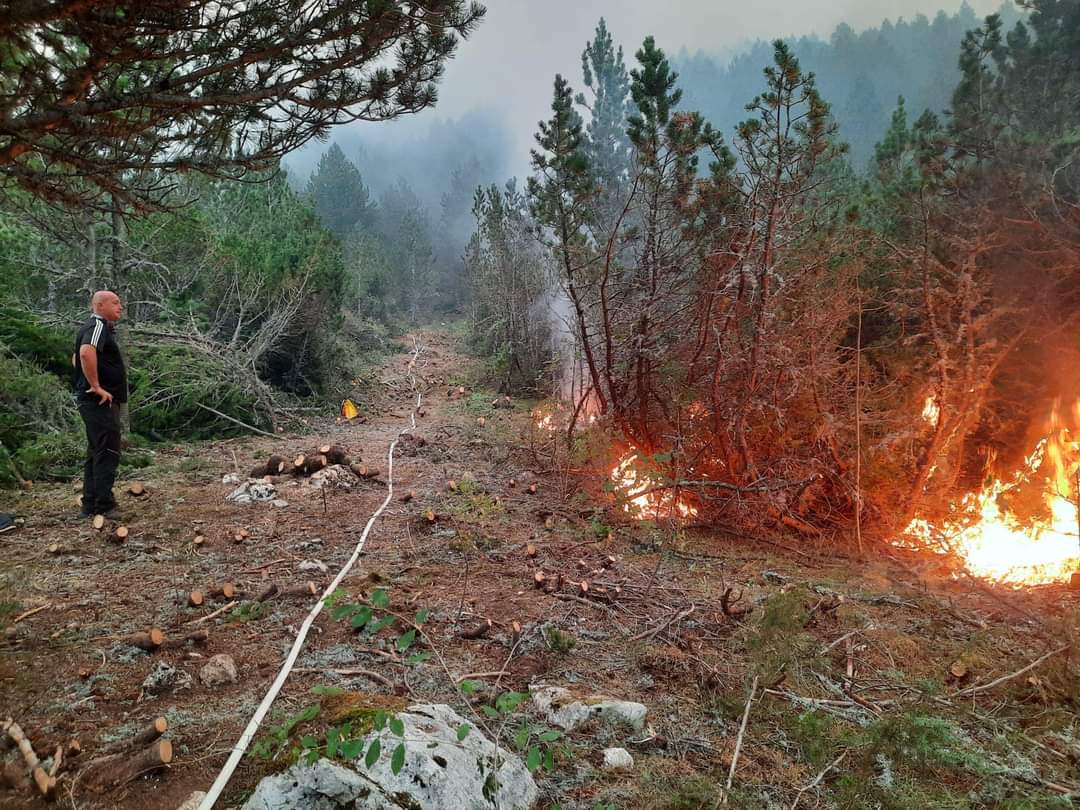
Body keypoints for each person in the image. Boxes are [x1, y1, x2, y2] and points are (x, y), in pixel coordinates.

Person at [73, 291, 127, 519]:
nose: (120, 307)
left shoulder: (96, 328)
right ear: (100, 305)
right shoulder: (96, 325)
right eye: (115, 303)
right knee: (107, 451)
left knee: (97, 451)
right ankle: (104, 505)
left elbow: (75, 358)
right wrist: (95, 386)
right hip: (98, 401)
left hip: (96, 402)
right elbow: (85, 353)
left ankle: (90, 504)